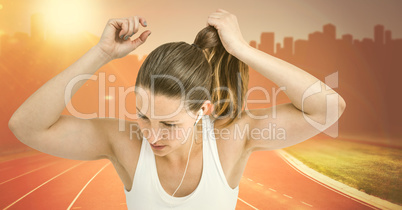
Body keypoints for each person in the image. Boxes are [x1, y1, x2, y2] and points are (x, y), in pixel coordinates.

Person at [8, 9, 346, 209]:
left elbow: (327, 110)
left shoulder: (231, 138)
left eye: (169, 124)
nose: (152, 135)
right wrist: (102, 53)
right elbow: (26, 126)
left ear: (203, 109)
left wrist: (242, 49)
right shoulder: (124, 142)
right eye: (142, 115)